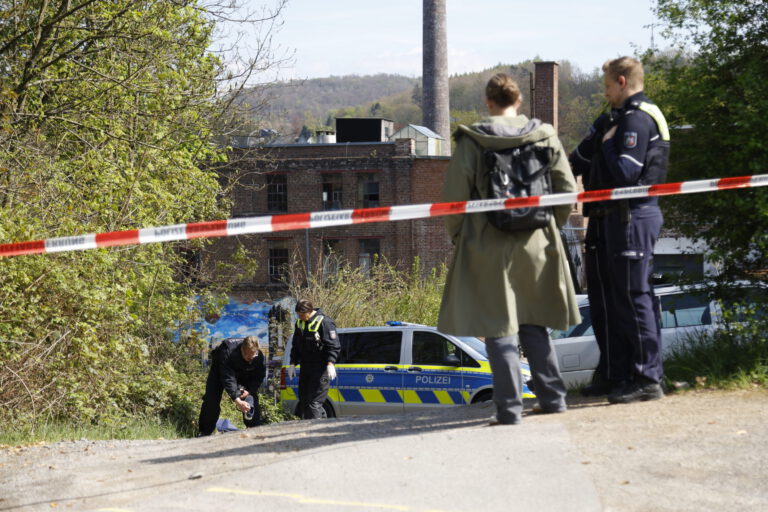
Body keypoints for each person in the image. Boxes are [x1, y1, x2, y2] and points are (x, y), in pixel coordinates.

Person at [437, 73, 581, 425]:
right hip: (537, 240)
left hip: (486, 244)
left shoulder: (473, 140)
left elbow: (454, 199)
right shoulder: (544, 135)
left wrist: (461, 236)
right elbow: (566, 188)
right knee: (534, 323)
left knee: (498, 326)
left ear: (488, 102)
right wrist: (550, 224)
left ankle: (510, 408)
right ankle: (553, 398)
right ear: (519, 101)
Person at [569, 56, 670, 404]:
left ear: (623, 82)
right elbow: (576, 160)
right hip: (610, 217)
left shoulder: (636, 119)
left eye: (608, 86)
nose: (606, 93)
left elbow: (627, 175)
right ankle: (618, 372)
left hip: (632, 215)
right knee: (611, 300)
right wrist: (599, 135)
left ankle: (647, 377)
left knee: (633, 297)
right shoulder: (616, 119)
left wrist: (610, 142)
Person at [198, 335, 266, 436]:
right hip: (220, 369)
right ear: (242, 350)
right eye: (248, 357)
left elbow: (258, 376)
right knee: (211, 399)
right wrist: (237, 400)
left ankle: (253, 428)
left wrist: (250, 391)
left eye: (253, 356)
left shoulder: (258, 356)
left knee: (251, 398)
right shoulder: (227, 352)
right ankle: (205, 432)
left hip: (244, 372)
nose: (251, 359)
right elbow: (228, 378)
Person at [287, 299, 340, 419]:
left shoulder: (325, 322)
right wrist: (292, 363)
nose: (299, 317)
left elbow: (333, 345)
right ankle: (315, 427)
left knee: (314, 403)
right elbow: (296, 346)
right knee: (304, 401)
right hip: (306, 368)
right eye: (298, 315)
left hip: (320, 369)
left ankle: (314, 433)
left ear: (309, 311)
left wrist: (330, 363)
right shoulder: (299, 323)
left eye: (301, 314)